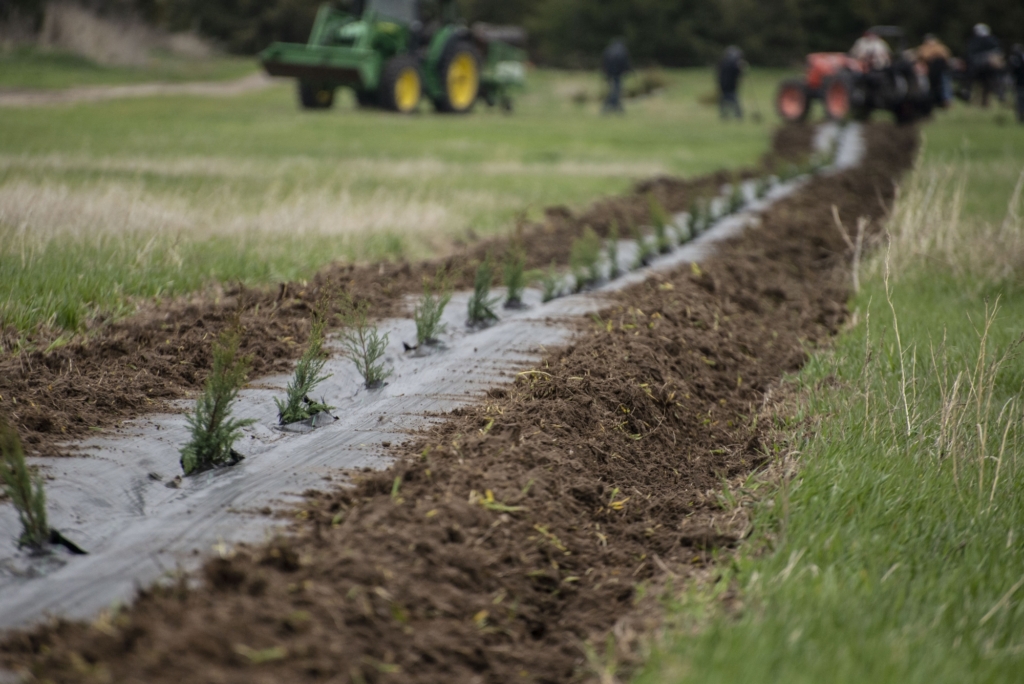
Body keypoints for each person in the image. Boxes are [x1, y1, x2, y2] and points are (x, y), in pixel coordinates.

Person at [961, 23, 1003, 106]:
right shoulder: (992, 40)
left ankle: (967, 91)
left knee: (970, 76)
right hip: (985, 66)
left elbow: (970, 53)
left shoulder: (977, 41)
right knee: (993, 79)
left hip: (979, 66)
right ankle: (1000, 94)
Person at [917, 34, 953, 107]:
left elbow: (946, 56)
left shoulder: (940, 47)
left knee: (944, 85)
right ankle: (932, 101)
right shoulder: (923, 48)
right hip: (930, 71)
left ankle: (946, 102)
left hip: (941, 70)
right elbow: (922, 57)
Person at [717, 45, 747, 120]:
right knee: (732, 99)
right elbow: (737, 72)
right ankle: (738, 114)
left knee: (724, 99)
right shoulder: (734, 63)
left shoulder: (724, 62)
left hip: (723, 83)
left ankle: (724, 114)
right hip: (730, 84)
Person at [602, 38, 631, 114]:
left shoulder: (609, 50)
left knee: (613, 90)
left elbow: (604, 62)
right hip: (618, 74)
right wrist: (627, 71)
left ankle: (614, 108)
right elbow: (625, 63)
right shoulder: (622, 51)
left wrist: (605, 73)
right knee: (616, 91)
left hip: (609, 73)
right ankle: (612, 107)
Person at [1011, 44, 1024, 123]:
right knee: (1019, 100)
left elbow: (1014, 72)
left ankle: (1021, 116)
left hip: (1020, 83)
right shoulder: (1017, 60)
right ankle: (1021, 117)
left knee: (1020, 100)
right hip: (1019, 84)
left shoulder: (1015, 60)